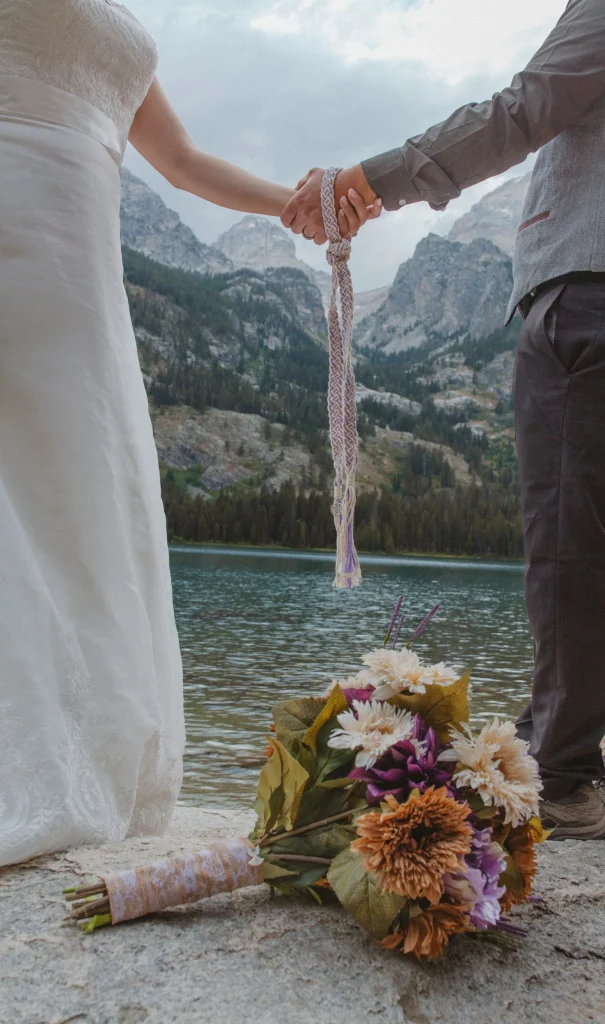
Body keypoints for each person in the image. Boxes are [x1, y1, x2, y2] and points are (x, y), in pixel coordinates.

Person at [283, 0, 605, 839]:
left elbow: (529, 103)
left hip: (598, 285)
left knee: (577, 538)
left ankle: (555, 777)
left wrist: (375, 179)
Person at [0, 0, 375, 868]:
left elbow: (181, 161)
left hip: (79, 252)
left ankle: (80, 756)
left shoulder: (116, 21)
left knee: (87, 475)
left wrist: (307, 201)